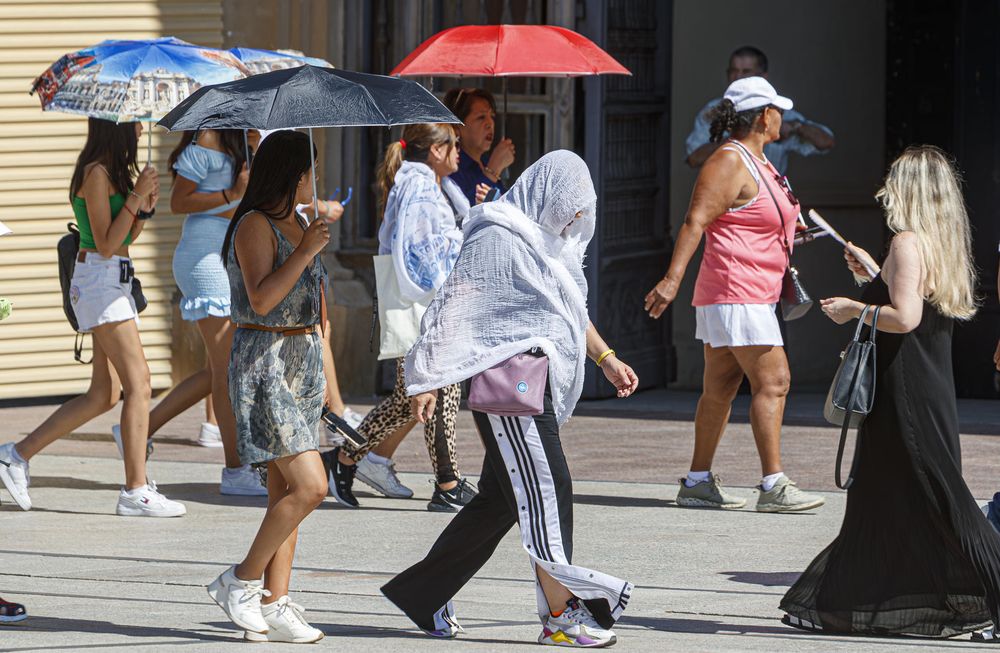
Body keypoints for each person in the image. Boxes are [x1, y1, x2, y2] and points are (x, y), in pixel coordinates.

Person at [381, 150, 639, 648]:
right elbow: (454, 302)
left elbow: (565, 306)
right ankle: (562, 616)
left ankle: (423, 592)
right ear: (551, 194)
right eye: (572, 206)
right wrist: (428, 376)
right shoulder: (497, 232)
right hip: (510, 386)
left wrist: (605, 357)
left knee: (501, 502)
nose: (576, 219)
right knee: (548, 489)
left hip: (532, 381)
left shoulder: (547, 242)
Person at [780, 145, 1000, 641]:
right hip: (927, 384)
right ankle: (841, 602)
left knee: (942, 499)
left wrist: (853, 307)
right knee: (883, 492)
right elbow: (910, 301)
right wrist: (873, 278)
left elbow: (906, 318)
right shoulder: (939, 241)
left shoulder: (906, 241)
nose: (885, 190)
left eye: (895, 181)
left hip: (904, 389)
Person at [644, 77, 825, 513]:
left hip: (745, 292)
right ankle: (774, 484)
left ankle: (697, 482)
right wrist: (671, 279)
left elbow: (750, 219)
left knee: (721, 387)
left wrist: (789, 235)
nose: (782, 116)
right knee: (774, 381)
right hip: (737, 290)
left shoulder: (759, 162)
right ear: (764, 115)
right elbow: (695, 221)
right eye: (777, 109)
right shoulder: (729, 160)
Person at [0, 118, 185, 518]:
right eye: (135, 123)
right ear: (114, 127)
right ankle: (135, 489)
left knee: (105, 394)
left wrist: (143, 211)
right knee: (140, 384)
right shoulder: (96, 173)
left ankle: (15, 454)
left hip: (113, 280)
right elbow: (103, 245)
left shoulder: (114, 172)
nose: (141, 130)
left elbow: (122, 239)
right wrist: (135, 198)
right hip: (100, 282)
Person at [207, 130, 329, 644]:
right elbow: (259, 300)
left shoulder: (299, 222)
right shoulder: (255, 225)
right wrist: (303, 252)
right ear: (292, 175)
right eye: (309, 171)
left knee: (285, 492)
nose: (312, 180)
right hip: (266, 362)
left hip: (301, 361)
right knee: (311, 486)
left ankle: (276, 601)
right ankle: (239, 580)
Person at [323, 123, 476, 512]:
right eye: (453, 144)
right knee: (434, 390)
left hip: (419, 304)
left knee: (417, 397)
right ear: (436, 151)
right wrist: (461, 241)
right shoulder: (421, 186)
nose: (459, 151)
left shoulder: (422, 183)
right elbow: (420, 253)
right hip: (421, 305)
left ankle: (345, 459)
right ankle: (447, 482)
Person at [108, 128, 263, 496]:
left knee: (218, 370)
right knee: (227, 372)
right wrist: (232, 193)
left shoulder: (246, 141)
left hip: (227, 256)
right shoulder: (207, 140)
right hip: (203, 258)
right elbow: (179, 202)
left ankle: (139, 427)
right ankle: (236, 471)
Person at [685, 46, 834, 175]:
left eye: (746, 71)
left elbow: (826, 142)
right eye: (734, 71)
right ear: (763, 119)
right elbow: (694, 158)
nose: (738, 77)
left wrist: (795, 127)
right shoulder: (717, 113)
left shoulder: (783, 120)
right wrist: (739, 139)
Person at [443, 87, 515, 205]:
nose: (490, 124)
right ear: (457, 127)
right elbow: (465, 211)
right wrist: (493, 170)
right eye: (481, 117)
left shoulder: (486, 162)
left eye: (492, 116)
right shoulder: (451, 166)